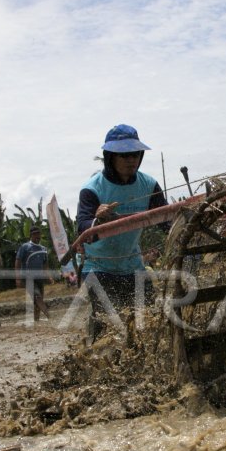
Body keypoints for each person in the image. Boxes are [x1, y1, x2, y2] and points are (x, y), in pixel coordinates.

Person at [76, 124, 167, 336]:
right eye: (124, 155)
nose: (131, 160)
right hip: (99, 268)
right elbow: (83, 228)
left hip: (133, 265)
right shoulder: (92, 189)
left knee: (149, 322)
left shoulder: (149, 185)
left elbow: (166, 220)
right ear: (110, 157)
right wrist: (97, 219)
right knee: (111, 327)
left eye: (135, 154)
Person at [14, 227, 51, 321]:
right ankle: (50, 316)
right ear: (31, 235)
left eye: (39, 234)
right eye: (35, 234)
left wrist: (48, 276)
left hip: (40, 278)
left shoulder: (43, 249)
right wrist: (18, 278)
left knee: (38, 299)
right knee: (37, 297)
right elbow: (18, 262)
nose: (37, 236)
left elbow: (45, 264)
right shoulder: (25, 247)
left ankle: (36, 321)